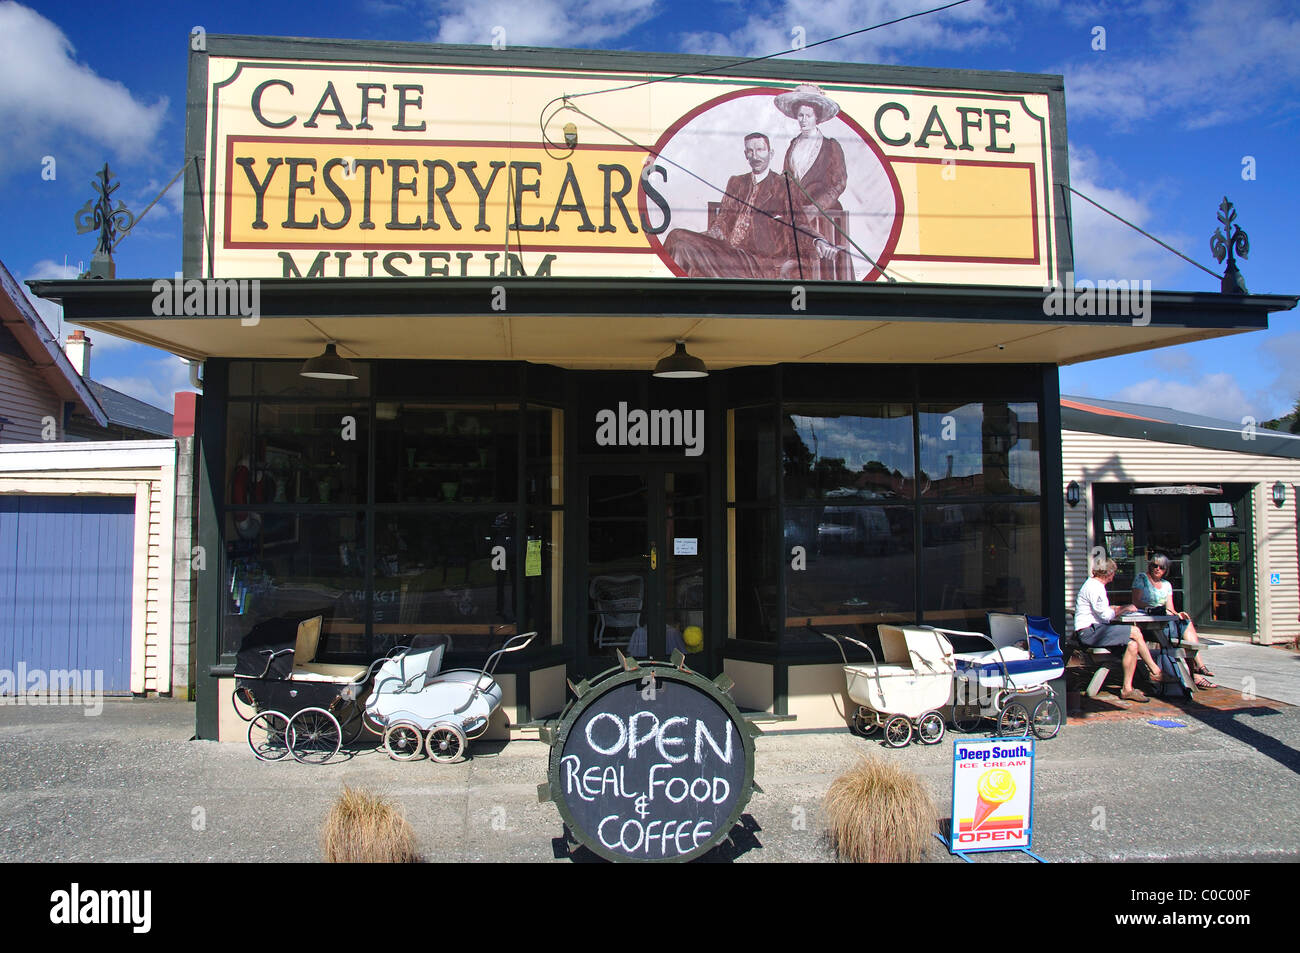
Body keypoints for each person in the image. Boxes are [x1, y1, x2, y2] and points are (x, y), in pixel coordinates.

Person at [662, 132, 796, 278]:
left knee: (678, 237)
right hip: (727, 250)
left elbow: (799, 224)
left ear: (771, 153)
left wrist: (818, 241)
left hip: (756, 261)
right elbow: (723, 219)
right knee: (678, 241)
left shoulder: (783, 185)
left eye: (760, 150)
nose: (755, 156)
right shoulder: (736, 182)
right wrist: (711, 234)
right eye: (750, 151)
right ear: (746, 155)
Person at [773, 83, 848, 274]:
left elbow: (839, 182)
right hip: (797, 213)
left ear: (816, 117)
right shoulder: (793, 145)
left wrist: (817, 207)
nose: (803, 120)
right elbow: (786, 179)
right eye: (800, 115)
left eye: (808, 115)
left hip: (825, 213)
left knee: (827, 268)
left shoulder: (831, 146)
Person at [1075, 554, 1162, 702]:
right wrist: (1123, 608)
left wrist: (1116, 608)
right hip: (1090, 632)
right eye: (1114, 572)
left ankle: (1127, 689)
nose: (1114, 576)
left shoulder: (1093, 585)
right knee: (1135, 631)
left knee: (1133, 645)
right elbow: (1106, 616)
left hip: (1094, 630)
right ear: (1108, 573)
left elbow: (1102, 611)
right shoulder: (1095, 587)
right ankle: (1156, 671)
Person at [1132, 553, 1214, 689]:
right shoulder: (1141, 578)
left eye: (1161, 567)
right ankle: (1195, 672)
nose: (1157, 569)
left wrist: (1178, 614)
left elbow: (1170, 608)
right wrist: (1152, 609)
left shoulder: (1166, 585)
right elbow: (1136, 602)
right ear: (1150, 566)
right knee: (1175, 636)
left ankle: (1199, 665)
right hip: (1148, 623)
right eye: (1154, 565)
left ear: (1166, 570)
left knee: (1187, 623)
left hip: (1165, 622)